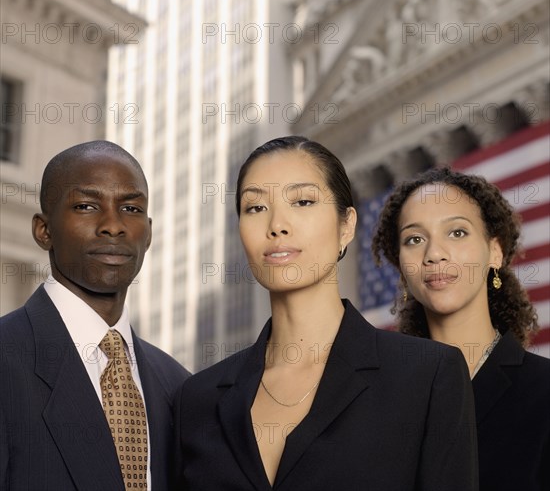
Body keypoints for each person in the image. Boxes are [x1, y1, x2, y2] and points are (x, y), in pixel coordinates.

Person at [177, 136, 478, 490]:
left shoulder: (428, 376)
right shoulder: (197, 398)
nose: (277, 225)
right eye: (255, 208)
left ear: (346, 226)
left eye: (303, 201)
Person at [0, 141, 191, 491]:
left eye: (131, 209)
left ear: (148, 233)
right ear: (44, 231)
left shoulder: (178, 385)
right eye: (86, 206)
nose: (113, 226)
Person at [372, 166, 550, 491]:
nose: (435, 254)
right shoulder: (376, 404)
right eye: (415, 239)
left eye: (456, 232)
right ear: (402, 266)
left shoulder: (543, 391)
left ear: (494, 251)